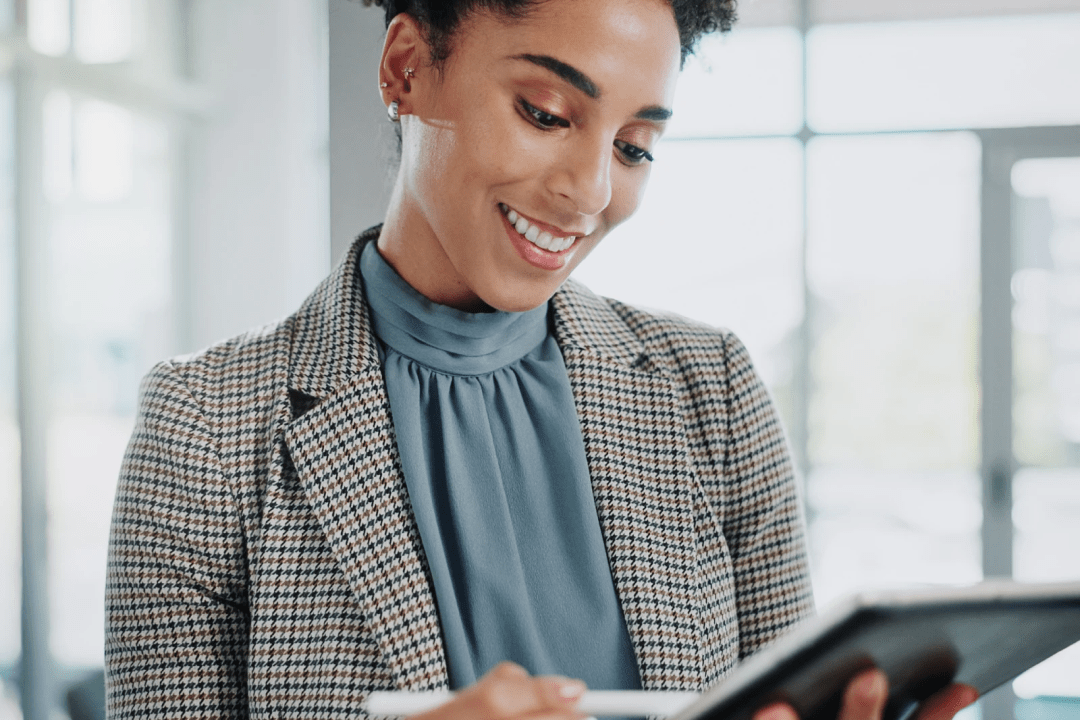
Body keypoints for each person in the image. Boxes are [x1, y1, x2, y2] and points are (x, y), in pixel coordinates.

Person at [104, 0, 978, 719]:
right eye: (548, 114)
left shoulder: (711, 388)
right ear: (406, 68)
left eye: (634, 147)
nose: (590, 192)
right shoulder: (206, 423)